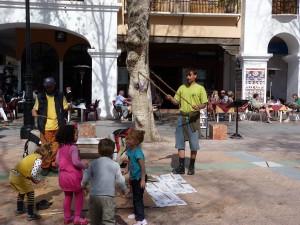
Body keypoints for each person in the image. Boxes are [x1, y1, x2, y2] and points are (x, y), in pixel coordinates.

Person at [166, 68, 208, 175]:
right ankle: (181, 167)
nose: (188, 77)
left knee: (193, 144)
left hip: (193, 118)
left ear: (195, 76)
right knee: (180, 143)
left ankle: (191, 166)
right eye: (187, 75)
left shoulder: (200, 88)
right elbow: (176, 102)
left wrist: (198, 106)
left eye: (190, 75)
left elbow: (204, 103)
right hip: (182, 117)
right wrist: (170, 98)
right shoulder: (182, 87)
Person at [81, 138, 128, 225]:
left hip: (94, 197)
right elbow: (121, 180)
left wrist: (83, 185)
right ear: (112, 152)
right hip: (108, 197)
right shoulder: (115, 164)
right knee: (108, 221)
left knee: (95, 220)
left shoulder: (94, 163)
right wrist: (124, 190)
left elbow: (86, 177)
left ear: (98, 151)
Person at [32, 77, 72, 176]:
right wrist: (33, 112)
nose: (49, 88)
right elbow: (34, 108)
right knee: (45, 148)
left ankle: (53, 164)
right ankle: (45, 166)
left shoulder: (60, 95)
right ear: (44, 86)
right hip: (44, 126)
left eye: (51, 86)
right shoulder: (40, 96)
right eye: (47, 86)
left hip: (57, 125)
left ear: (54, 85)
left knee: (55, 147)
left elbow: (65, 106)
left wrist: (69, 106)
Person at [55, 124, 89, 225]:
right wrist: (84, 165)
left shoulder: (60, 148)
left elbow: (57, 161)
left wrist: (65, 165)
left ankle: (67, 217)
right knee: (79, 196)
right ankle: (77, 218)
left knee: (67, 196)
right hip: (73, 177)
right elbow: (75, 162)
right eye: (75, 135)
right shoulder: (73, 148)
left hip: (63, 177)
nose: (77, 137)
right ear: (69, 136)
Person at [9, 144, 52, 221]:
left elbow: (27, 169)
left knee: (21, 192)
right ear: (46, 155)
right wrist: (36, 180)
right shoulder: (38, 160)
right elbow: (33, 173)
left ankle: (19, 210)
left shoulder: (32, 155)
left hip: (13, 174)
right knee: (30, 193)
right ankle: (30, 214)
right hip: (20, 177)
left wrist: (32, 179)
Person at [122, 129, 147, 225]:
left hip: (139, 178)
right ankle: (137, 213)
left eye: (129, 139)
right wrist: (126, 169)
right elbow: (129, 162)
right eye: (127, 139)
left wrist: (143, 180)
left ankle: (141, 219)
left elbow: (143, 167)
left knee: (138, 198)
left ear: (136, 141)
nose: (127, 141)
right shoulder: (130, 151)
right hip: (134, 177)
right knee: (135, 197)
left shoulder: (138, 153)